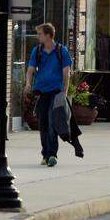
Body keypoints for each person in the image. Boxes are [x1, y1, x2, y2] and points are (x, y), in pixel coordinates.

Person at [26, 23, 73, 167]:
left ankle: (52, 154)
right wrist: (28, 84)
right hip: (41, 91)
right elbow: (30, 69)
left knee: (52, 122)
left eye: (39, 34)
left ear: (48, 35)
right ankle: (45, 154)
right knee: (43, 123)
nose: (37, 36)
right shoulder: (37, 51)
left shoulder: (61, 51)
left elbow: (66, 73)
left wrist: (64, 92)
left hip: (56, 91)